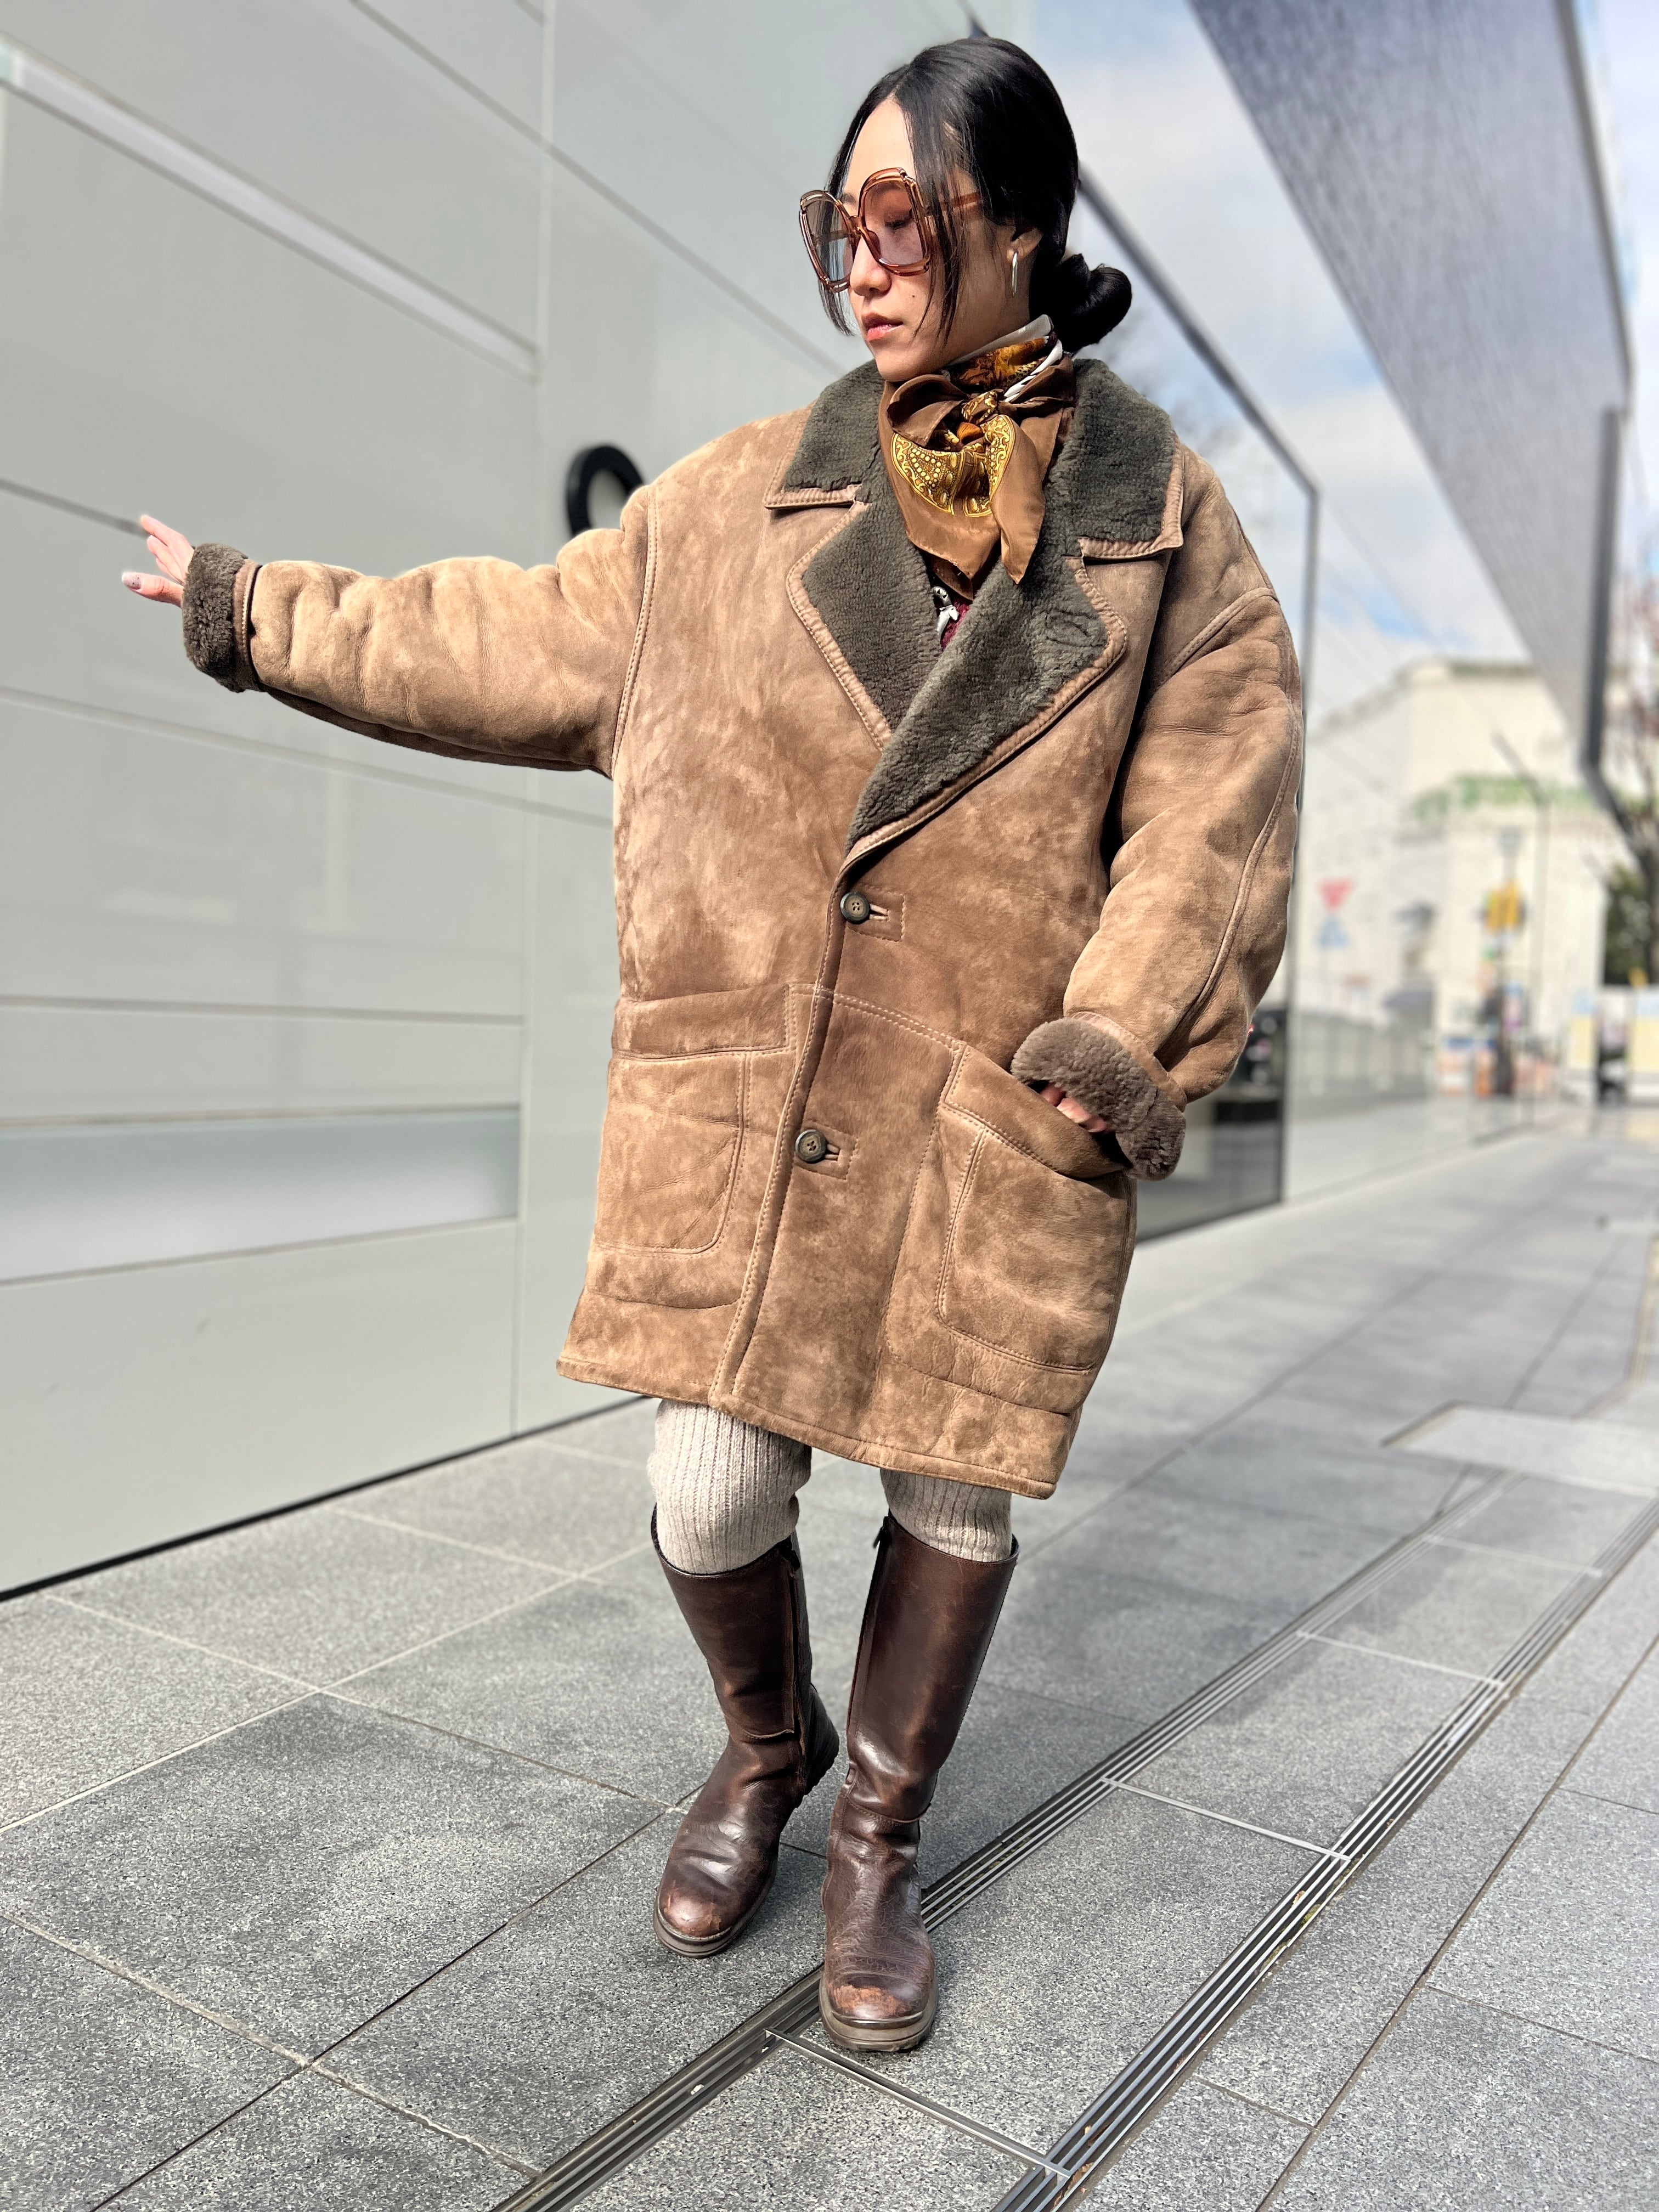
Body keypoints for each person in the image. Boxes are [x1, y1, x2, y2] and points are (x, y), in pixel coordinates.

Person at [125, 36, 1300, 2053]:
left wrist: (1118, 1035)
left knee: (955, 1498)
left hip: (987, 1113)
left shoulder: (1160, 518)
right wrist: (258, 606)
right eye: (843, 221)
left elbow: (1220, 801)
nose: (869, 262)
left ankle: (875, 1845)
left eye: (908, 218)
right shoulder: (749, 495)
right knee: (705, 1489)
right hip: (758, 1106)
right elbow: (504, 634)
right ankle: (770, 1743)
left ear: (1025, 230)